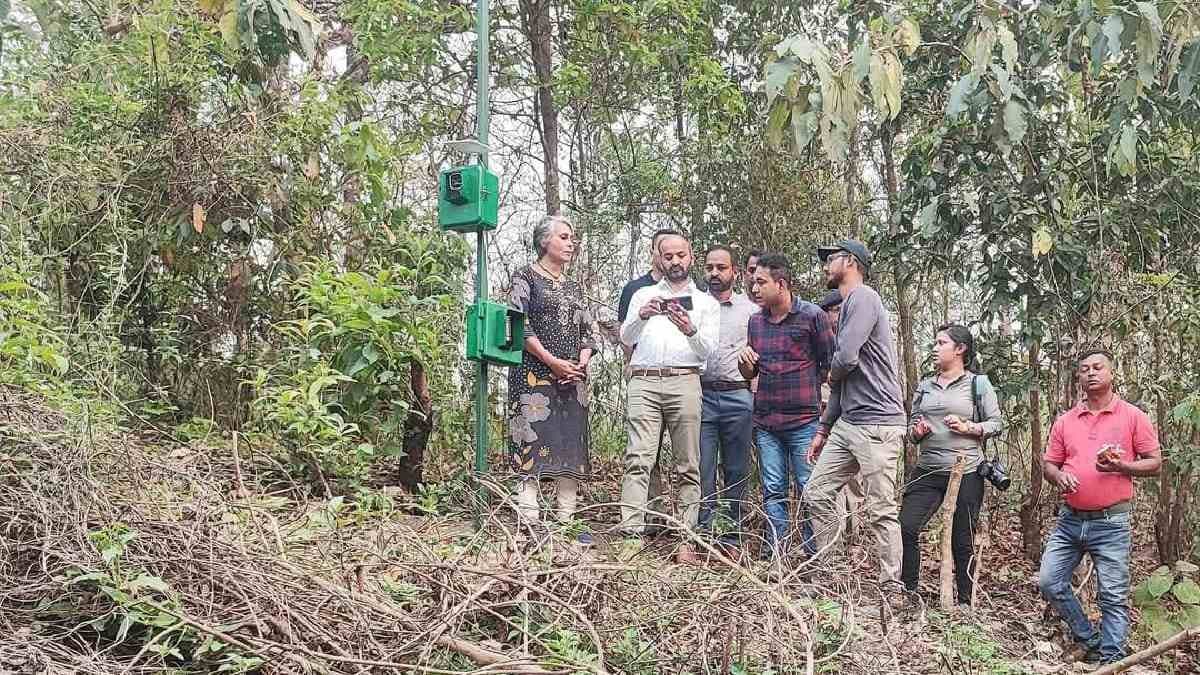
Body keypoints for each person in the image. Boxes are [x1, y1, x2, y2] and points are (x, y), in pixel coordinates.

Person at [1038, 349, 1161, 665]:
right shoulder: (1066, 421)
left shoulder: (1133, 416)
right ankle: (1090, 639)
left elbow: (1155, 463)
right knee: (1050, 581)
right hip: (1069, 520)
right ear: (1078, 377)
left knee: (1113, 596)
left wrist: (1123, 467)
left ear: (1111, 373)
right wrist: (1060, 476)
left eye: (1097, 367)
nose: (1090, 373)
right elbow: (1049, 464)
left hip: (1111, 522)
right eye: (1084, 369)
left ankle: (1113, 659)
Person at [803, 239, 907, 592]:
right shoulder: (848, 306)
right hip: (849, 423)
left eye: (830, 259)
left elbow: (844, 361)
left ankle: (890, 587)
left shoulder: (864, 297)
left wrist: (830, 373)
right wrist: (823, 429)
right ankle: (828, 575)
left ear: (850, 262)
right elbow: (842, 381)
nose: (825, 266)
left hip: (878, 421)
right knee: (816, 492)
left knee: (880, 509)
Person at [619, 234, 719, 563]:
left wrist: (690, 328)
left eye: (681, 255)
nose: (675, 261)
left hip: (685, 381)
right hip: (644, 381)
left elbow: (708, 351)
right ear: (659, 259)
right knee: (638, 459)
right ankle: (631, 535)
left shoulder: (706, 302)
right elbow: (625, 337)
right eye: (668, 256)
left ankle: (686, 539)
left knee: (688, 464)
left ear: (691, 257)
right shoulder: (643, 295)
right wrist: (642, 316)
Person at [899, 324, 1004, 604]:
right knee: (906, 527)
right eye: (934, 342)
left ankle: (965, 602)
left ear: (960, 349)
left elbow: (996, 424)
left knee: (962, 539)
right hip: (928, 469)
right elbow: (910, 429)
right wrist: (917, 432)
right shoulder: (925, 385)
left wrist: (969, 427)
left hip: (966, 471)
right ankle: (909, 593)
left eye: (941, 343)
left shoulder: (977, 384)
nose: (934, 348)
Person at [739, 253, 834, 559]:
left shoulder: (812, 316)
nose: (754, 288)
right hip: (766, 421)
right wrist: (746, 366)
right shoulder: (755, 322)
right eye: (753, 282)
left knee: (809, 487)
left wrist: (806, 389)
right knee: (773, 488)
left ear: (780, 284)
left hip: (804, 420)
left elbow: (828, 363)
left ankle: (811, 554)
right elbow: (751, 373)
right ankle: (776, 554)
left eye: (761, 282)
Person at [507, 216, 596, 536]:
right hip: (532, 377)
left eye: (572, 237)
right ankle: (529, 525)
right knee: (531, 446)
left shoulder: (575, 286)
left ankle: (566, 524)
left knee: (570, 449)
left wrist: (579, 365)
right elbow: (519, 326)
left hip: (572, 381)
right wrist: (552, 361)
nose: (571, 243)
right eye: (564, 236)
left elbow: (589, 332)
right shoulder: (525, 277)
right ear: (545, 241)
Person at [697, 245, 757, 547]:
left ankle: (732, 536)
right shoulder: (695, 305)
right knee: (702, 466)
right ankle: (704, 534)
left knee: (736, 468)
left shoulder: (751, 310)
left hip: (738, 396)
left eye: (721, 267)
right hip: (701, 395)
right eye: (709, 267)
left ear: (735, 272)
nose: (715, 273)